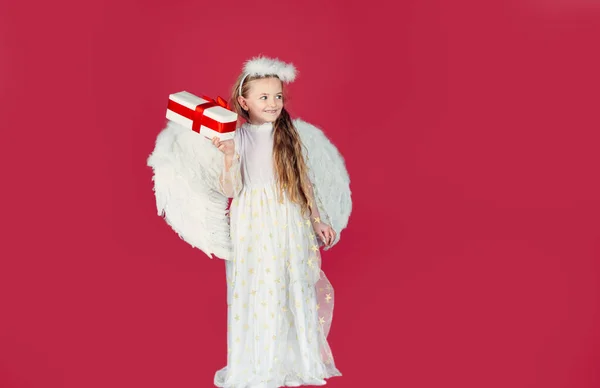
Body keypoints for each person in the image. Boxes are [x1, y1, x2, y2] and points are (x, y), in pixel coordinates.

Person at [147, 55, 351, 388]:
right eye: (264, 97)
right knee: (260, 286)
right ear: (244, 102)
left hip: (289, 217)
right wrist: (228, 156)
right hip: (254, 221)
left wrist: (316, 220)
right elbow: (232, 189)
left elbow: (304, 182)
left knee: (293, 282)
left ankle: (297, 359)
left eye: (278, 96)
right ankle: (260, 362)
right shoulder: (237, 139)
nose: (273, 103)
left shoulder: (290, 136)